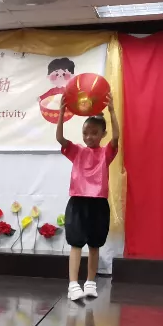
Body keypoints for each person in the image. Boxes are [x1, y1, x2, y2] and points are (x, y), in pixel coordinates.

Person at [56, 92, 119, 301]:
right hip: (78, 201)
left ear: (102, 134)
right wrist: (61, 114)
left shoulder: (106, 153)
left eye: (94, 133)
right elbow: (60, 139)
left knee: (94, 244)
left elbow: (116, 138)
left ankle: (90, 283)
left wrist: (112, 111)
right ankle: (73, 284)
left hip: (98, 203)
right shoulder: (77, 151)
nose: (89, 137)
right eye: (85, 133)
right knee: (75, 243)